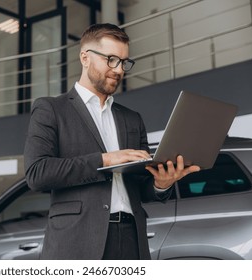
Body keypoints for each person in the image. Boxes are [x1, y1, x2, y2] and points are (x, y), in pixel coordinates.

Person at [24, 23, 200, 260]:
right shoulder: (51, 109)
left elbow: (140, 188)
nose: (119, 70)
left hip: (131, 238)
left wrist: (162, 184)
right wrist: (105, 159)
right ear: (85, 58)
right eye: (111, 60)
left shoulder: (132, 119)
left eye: (124, 62)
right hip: (77, 241)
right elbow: (38, 173)